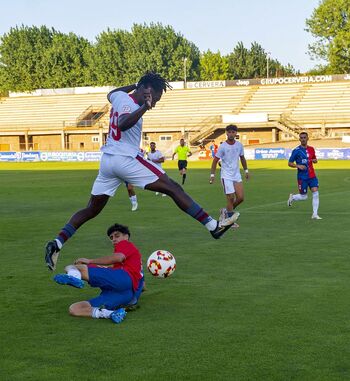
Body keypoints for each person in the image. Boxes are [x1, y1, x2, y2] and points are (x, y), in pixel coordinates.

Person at [45, 72, 239, 271]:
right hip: (125, 158)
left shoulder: (120, 96)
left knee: (91, 209)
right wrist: (144, 107)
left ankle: (57, 243)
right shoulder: (132, 105)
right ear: (146, 89)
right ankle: (213, 226)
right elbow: (123, 123)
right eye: (155, 96)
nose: (155, 101)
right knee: (173, 188)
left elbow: (111, 92)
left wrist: (135, 85)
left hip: (107, 161)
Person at [53, 223, 144, 324]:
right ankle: (110, 314)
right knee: (75, 309)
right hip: (124, 294)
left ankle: (73, 277)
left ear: (126, 236)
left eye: (117, 236)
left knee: (73, 267)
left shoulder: (125, 244)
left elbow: (118, 257)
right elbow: (142, 285)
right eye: (111, 237)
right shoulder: (136, 264)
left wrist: (90, 261)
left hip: (122, 279)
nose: (114, 239)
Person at [209, 125, 249, 225]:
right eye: (229, 132)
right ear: (226, 133)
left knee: (240, 198)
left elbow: (242, 158)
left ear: (236, 133)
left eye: (233, 132)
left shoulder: (239, 145)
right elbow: (215, 161)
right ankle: (230, 220)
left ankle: (226, 212)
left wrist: (246, 171)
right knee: (230, 197)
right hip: (226, 175)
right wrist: (212, 175)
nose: (231, 134)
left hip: (236, 175)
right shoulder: (223, 146)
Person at [287, 132, 321, 219]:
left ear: (307, 138)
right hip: (302, 177)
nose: (303, 139)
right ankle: (293, 197)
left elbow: (314, 158)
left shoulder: (311, 149)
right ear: (299, 139)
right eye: (301, 138)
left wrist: (315, 160)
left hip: (312, 175)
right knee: (304, 197)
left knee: (315, 192)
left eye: (304, 137)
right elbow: (289, 163)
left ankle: (315, 214)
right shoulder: (296, 151)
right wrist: (297, 165)